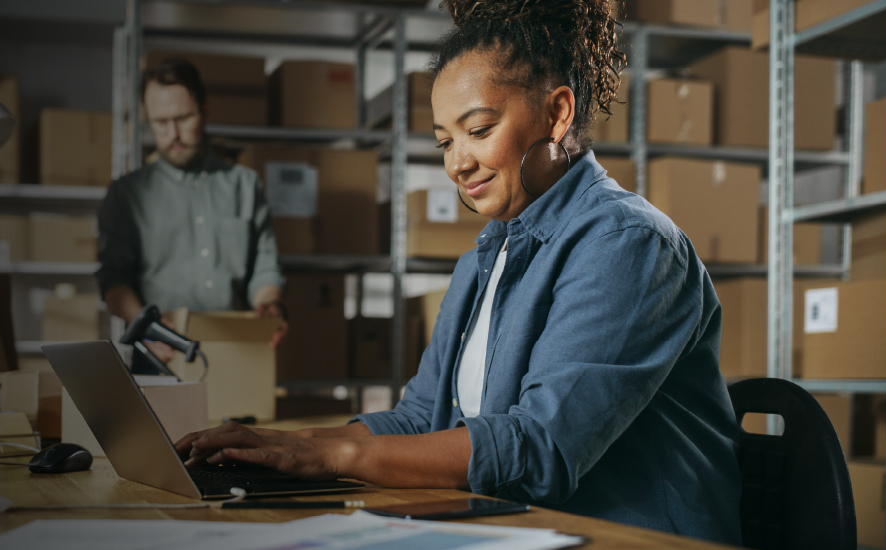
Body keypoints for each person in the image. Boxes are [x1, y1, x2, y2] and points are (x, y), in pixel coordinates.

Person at [173, 0, 742, 544]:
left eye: (479, 129)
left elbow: (539, 448)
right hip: (522, 531)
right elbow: (422, 417)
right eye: (445, 141)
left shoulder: (628, 244)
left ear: (557, 113)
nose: (457, 163)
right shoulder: (484, 258)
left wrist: (332, 455)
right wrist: (277, 445)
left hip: (634, 540)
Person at [97, 58, 287, 359]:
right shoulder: (126, 195)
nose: (173, 133)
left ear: (204, 111)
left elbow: (265, 269)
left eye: (183, 118)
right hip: (161, 354)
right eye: (160, 122)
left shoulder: (245, 185)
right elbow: (114, 279)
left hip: (237, 351)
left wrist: (269, 303)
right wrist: (146, 326)